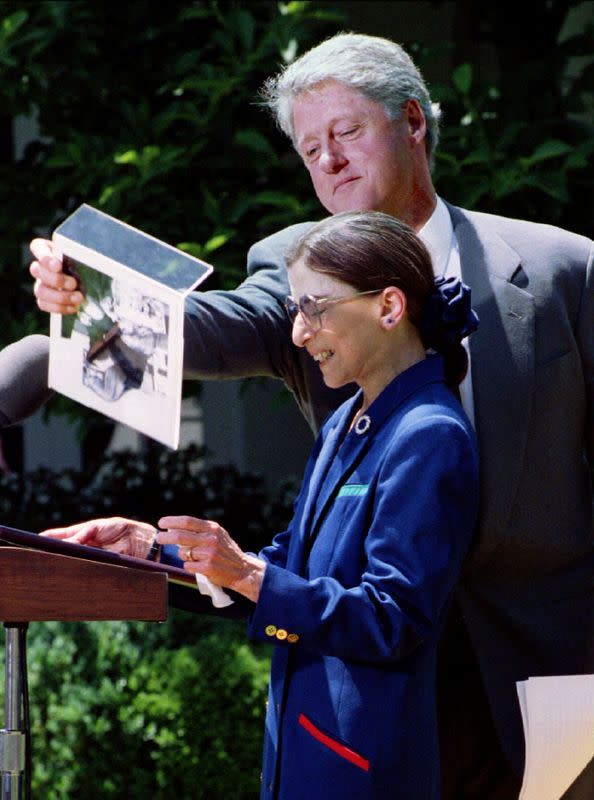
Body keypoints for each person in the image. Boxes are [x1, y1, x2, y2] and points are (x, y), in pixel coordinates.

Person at [28, 32, 594, 800]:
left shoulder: (565, 266)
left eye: (347, 133)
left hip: (539, 672)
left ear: (414, 123)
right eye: (308, 147)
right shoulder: (300, 270)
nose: (327, 161)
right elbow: (218, 329)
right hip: (370, 698)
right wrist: (98, 308)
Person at [44, 210, 480, 800]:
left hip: (363, 774)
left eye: (314, 309)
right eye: (296, 312)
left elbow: (391, 619)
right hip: (302, 759)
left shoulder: (429, 434)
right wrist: (152, 549)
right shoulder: (347, 424)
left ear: (389, 308)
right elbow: (291, 565)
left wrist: (248, 573)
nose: (300, 334)